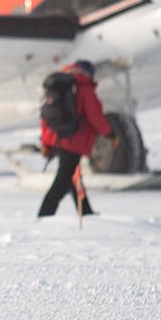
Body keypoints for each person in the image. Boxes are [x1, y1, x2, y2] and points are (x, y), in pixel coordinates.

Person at [37, 59, 112, 218]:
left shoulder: (58, 86)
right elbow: (94, 115)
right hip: (73, 141)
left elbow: (45, 117)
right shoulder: (84, 87)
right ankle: (44, 215)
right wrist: (109, 132)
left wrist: (46, 143)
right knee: (62, 182)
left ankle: (86, 212)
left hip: (57, 139)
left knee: (73, 178)